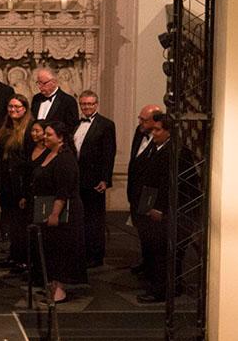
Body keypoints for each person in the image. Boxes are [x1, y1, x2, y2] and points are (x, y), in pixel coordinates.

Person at [133, 113, 198, 303]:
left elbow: (176, 185)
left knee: (165, 252)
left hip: (170, 212)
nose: (153, 133)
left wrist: (161, 209)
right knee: (156, 251)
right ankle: (165, 286)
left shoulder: (178, 152)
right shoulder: (156, 148)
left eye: (158, 130)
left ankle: (162, 290)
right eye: (152, 129)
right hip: (153, 207)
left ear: (169, 132)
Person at [31, 121, 87, 303]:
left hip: (64, 212)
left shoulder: (65, 158)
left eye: (49, 135)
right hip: (48, 207)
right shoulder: (49, 152)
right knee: (51, 250)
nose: (44, 137)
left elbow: (63, 190)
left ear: (61, 137)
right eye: (44, 134)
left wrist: (55, 213)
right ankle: (52, 285)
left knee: (62, 250)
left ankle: (59, 288)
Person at [73, 90, 117, 268]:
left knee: (95, 219)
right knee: (80, 217)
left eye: (90, 104)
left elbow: (109, 153)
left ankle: (95, 255)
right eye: (83, 104)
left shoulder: (106, 125)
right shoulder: (76, 124)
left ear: (96, 104)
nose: (87, 107)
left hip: (94, 180)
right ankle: (82, 252)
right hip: (77, 178)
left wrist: (105, 179)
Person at [0, 94, 34, 271]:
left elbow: (30, 161)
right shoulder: (5, 127)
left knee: (21, 223)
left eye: (17, 107)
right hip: (5, 183)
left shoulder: (30, 129)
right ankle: (14, 256)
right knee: (10, 220)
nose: (13, 110)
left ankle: (24, 259)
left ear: (25, 109)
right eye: (10, 107)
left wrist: (26, 192)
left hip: (20, 184)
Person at [126, 104, 161, 277]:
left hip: (148, 194)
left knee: (151, 233)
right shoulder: (139, 132)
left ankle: (152, 267)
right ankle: (145, 261)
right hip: (135, 191)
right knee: (141, 230)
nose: (140, 122)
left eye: (144, 120)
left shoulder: (160, 140)